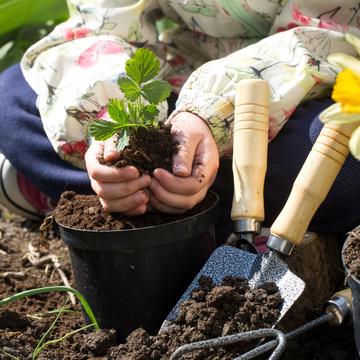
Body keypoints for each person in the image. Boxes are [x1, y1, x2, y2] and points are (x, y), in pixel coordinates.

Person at [0, 0, 359, 238]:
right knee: (13, 96)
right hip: (186, 78)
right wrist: (113, 122)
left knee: (343, 165)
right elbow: (101, 28)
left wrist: (213, 115)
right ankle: (173, 201)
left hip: (307, 86)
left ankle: (94, 202)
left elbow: (335, 39)